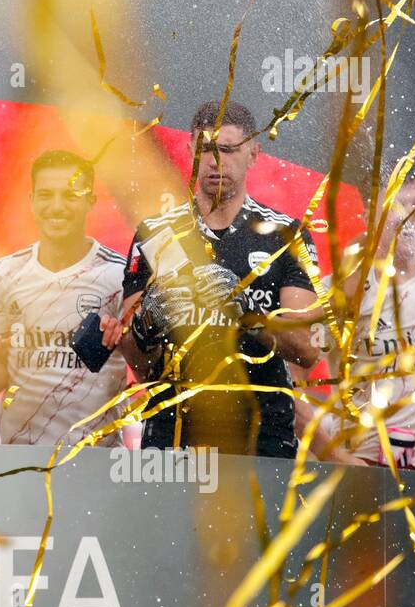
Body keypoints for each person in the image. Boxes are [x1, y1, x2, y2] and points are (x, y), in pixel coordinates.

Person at [109, 101, 321, 459]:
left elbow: (306, 347)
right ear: (190, 150)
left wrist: (246, 313)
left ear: (254, 154)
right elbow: (142, 366)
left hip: (262, 436)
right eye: (206, 149)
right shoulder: (156, 234)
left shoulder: (286, 235)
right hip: (172, 437)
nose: (215, 161)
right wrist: (147, 321)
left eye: (228, 150)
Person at [0, 150, 129, 446]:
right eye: (45, 195)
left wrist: (124, 338)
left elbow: (145, 366)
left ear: (89, 201)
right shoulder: (5, 273)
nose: (56, 206)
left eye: (70, 195)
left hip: (94, 461)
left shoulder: (118, 275)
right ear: (31, 201)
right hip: (22, 462)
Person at [307, 183, 415, 470]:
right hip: (363, 466)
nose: (409, 214)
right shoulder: (342, 294)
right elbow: (290, 383)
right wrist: (334, 457)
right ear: (369, 216)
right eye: (395, 205)